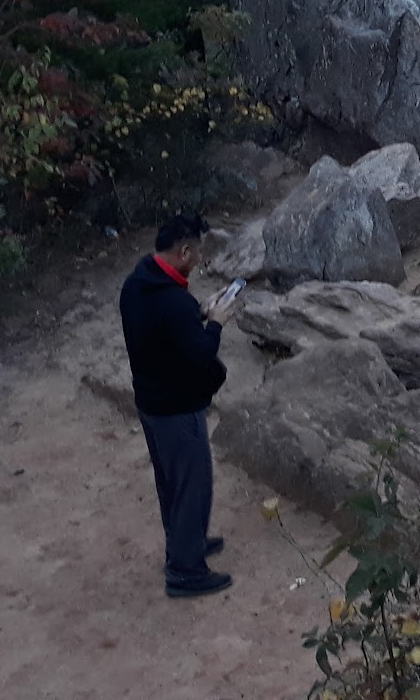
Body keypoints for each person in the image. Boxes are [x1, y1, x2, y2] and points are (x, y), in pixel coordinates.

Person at [119, 212, 239, 598]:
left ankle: (185, 544)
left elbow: (163, 332)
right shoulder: (171, 302)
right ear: (184, 250)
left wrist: (197, 312)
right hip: (176, 408)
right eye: (198, 252)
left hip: (151, 403)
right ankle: (186, 572)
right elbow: (200, 353)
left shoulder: (138, 285)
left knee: (171, 484)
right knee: (193, 484)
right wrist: (216, 322)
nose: (201, 259)